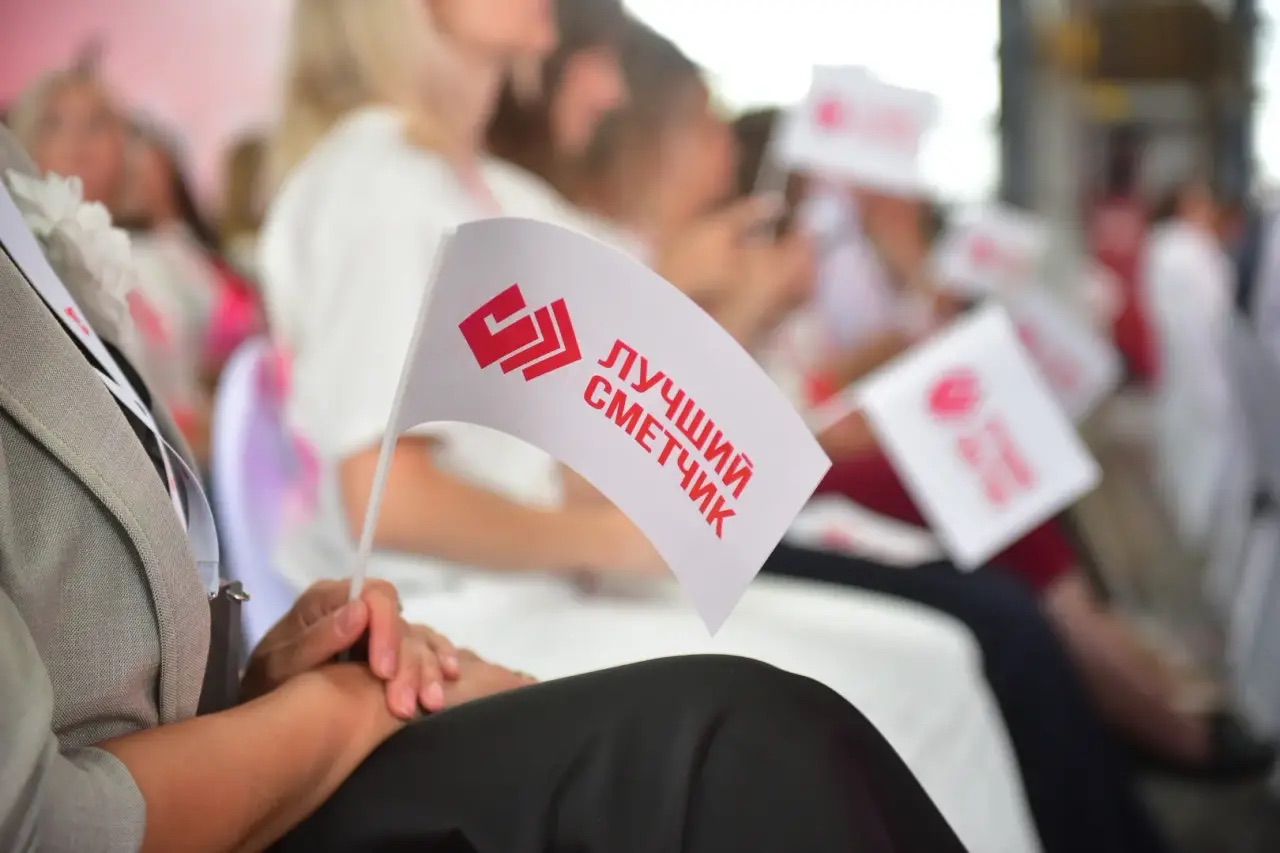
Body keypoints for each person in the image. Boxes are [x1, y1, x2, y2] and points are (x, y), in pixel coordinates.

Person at [0, 114, 971, 852]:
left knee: (839, 694)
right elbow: (44, 821)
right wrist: (342, 707)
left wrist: (268, 684)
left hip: (275, 734)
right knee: (765, 730)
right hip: (431, 636)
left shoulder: (24, 206)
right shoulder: (374, 177)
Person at [259, 2, 1038, 850]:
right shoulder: (375, 177)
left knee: (933, 658)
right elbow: (388, 500)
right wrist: (612, 540)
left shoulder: (480, 182)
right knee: (906, 686)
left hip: (551, 586)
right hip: (448, 619)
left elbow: (568, 444)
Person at [539, 21, 1169, 853]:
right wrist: (742, 303)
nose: (724, 150)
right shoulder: (634, 250)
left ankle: (1119, 691)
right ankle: (1126, 699)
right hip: (742, 511)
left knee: (995, 542)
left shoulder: (684, 246)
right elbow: (695, 423)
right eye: (705, 126)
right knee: (994, 596)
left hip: (748, 498)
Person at [732, 109, 1277, 781]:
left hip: (815, 448)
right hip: (798, 477)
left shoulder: (811, 264)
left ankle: (1125, 665)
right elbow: (808, 402)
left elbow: (841, 373)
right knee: (984, 483)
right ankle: (1136, 683)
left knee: (1005, 475)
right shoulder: (763, 268)